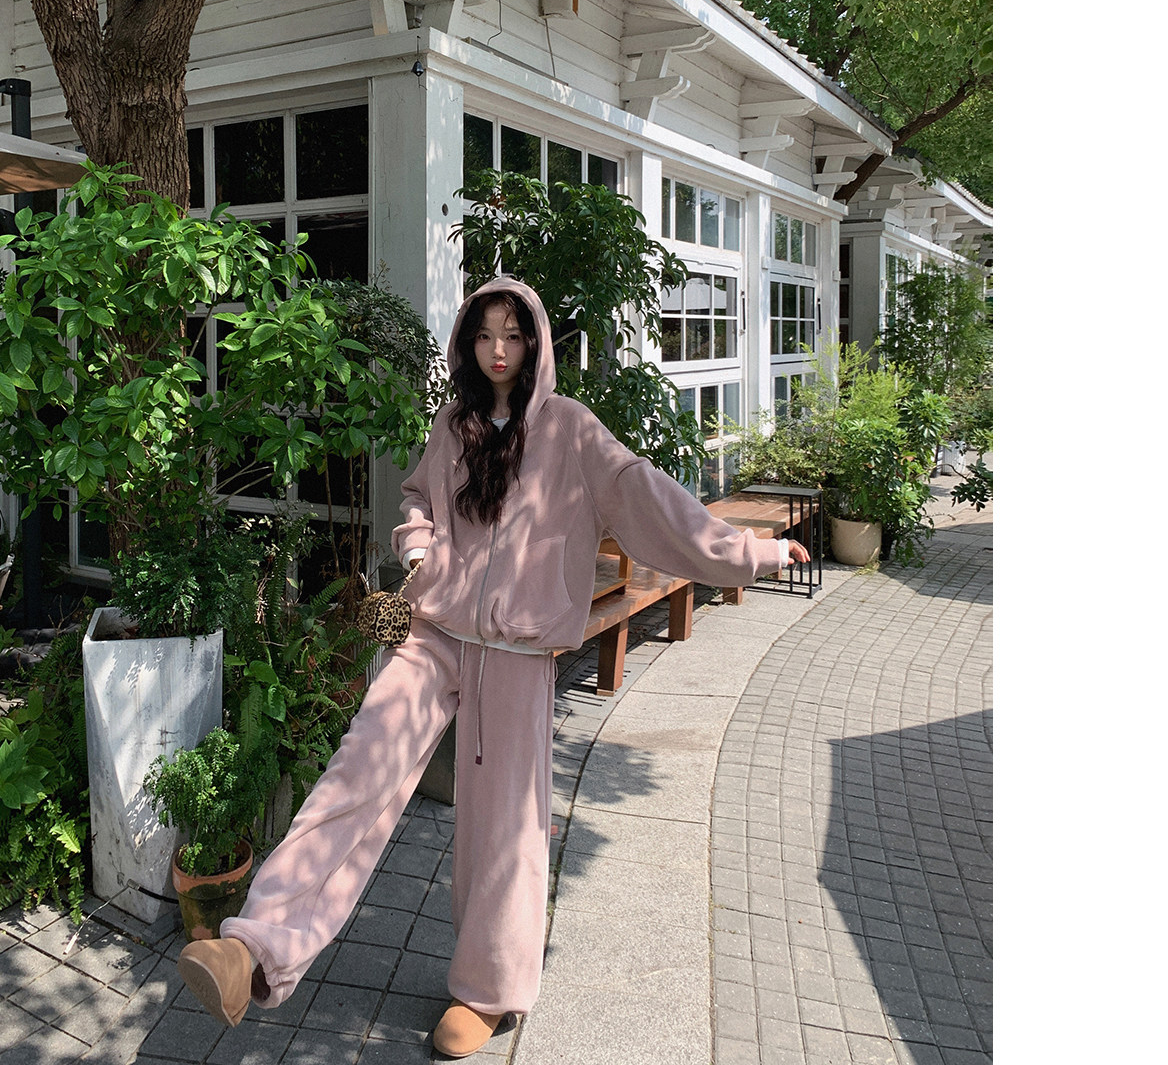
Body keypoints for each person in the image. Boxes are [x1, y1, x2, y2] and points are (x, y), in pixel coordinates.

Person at [178, 276, 808, 1057]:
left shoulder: (572, 430)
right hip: (433, 633)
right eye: (484, 336)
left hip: (515, 654)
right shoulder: (454, 424)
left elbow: (649, 501)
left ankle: (489, 991)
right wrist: (419, 544)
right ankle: (252, 948)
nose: (498, 350)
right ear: (467, 344)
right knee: (357, 771)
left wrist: (750, 552)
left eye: (512, 335)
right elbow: (418, 497)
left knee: (504, 826)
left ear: (535, 342)